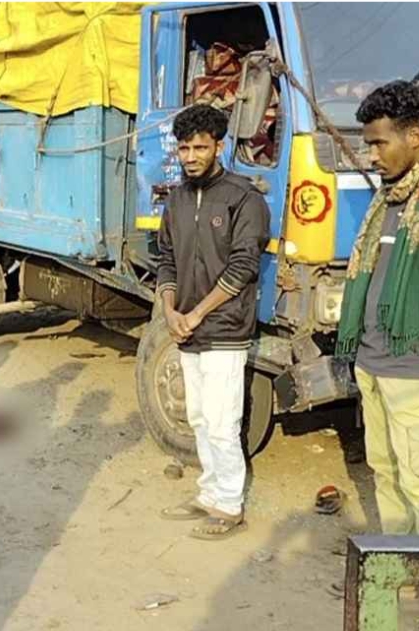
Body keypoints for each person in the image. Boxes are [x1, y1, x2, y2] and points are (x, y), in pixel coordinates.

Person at [156, 104, 269, 540]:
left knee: (223, 423)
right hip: (185, 327)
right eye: (184, 148)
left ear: (219, 147)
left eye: (199, 148)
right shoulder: (177, 200)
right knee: (200, 418)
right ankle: (208, 493)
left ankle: (229, 505)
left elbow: (243, 267)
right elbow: (167, 260)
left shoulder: (244, 198)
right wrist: (170, 312)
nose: (190, 157)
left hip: (224, 329)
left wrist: (197, 313)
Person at [336, 80, 419, 534]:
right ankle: (396, 563)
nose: (371, 156)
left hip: (411, 371)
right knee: (385, 474)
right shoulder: (387, 199)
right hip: (371, 363)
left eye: (379, 144)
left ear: (414, 135)